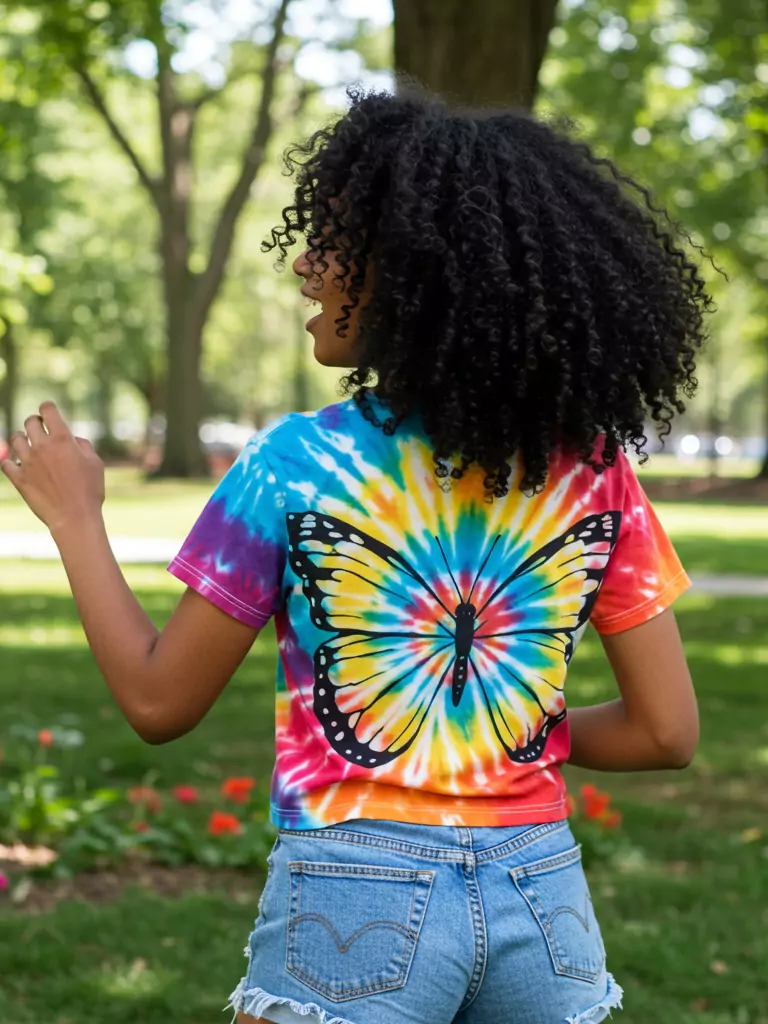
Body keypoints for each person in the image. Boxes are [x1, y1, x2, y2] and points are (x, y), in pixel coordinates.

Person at [2, 89, 704, 1024]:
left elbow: (159, 702)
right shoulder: (597, 474)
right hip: (548, 907)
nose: (304, 266)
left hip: (351, 901)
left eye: (331, 242)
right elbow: (666, 733)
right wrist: (501, 737)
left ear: (411, 271)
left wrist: (75, 519)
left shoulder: (297, 463)